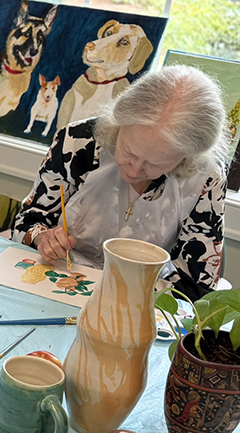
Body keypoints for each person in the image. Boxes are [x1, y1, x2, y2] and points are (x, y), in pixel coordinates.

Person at [12, 65, 232, 301]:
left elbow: (197, 285)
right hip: (59, 278)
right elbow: (27, 222)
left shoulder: (205, 178)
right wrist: (43, 238)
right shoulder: (78, 142)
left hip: (142, 296)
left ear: (186, 158)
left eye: (156, 164)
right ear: (118, 122)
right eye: (128, 151)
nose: (134, 170)